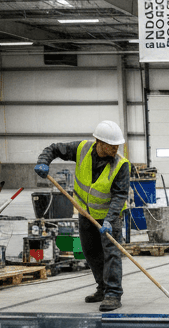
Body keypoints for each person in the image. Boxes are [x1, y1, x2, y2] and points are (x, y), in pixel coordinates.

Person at [35, 120, 129, 312]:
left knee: (111, 254)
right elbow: (54, 149)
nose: (115, 150)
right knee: (90, 251)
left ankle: (113, 293)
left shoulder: (121, 165)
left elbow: (120, 195)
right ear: (99, 142)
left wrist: (110, 221)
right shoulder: (82, 149)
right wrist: (43, 161)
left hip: (109, 217)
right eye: (112, 146)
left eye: (117, 146)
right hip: (85, 213)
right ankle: (102, 288)